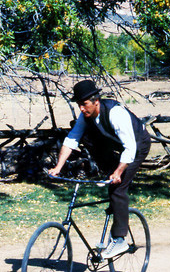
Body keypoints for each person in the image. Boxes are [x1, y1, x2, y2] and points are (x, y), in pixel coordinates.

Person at [48, 79, 151, 259]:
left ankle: (120, 240)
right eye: (79, 104)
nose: (81, 108)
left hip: (137, 144)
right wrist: (58, 167)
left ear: (96, 101)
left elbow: (130, 148)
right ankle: (110, 181)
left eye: (84, 104)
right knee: (84, 134)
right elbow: (72, 139)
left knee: (118, 188)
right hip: (115, 145)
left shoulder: (115, 113)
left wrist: (118, 172)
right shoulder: (85, 116)